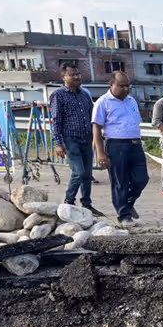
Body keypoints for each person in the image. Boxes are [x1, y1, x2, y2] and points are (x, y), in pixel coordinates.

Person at [92, 71, 146, 226]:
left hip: (135, 144)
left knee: (141, 178)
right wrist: (100, 153)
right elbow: (96, 128)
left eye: (127, 85)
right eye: (121, 86)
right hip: (116, 146)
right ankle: (123, 215)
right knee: (120, 182)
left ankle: (128, 204)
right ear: (112, 85)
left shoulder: (131, 101)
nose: (126, 89)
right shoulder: (103, 102)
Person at [49, 64, 103, 215]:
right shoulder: (58, 95)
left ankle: (86, 204)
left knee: (87, 173)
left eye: (78, 74)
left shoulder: (84, 94)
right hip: (70, 139)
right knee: (78, 171)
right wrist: (58, 144)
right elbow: (56, 121)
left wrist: (99, 134)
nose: (77, 77)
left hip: (87, 137)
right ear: (63, 77)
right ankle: (69, 201)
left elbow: (92, 116)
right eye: (72, 75)